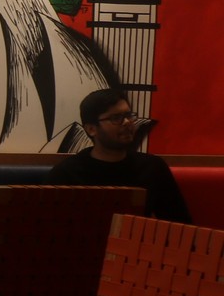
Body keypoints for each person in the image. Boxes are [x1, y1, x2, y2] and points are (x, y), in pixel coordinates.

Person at [47, 87, 191, 222]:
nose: (127, 122)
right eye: (116, 118)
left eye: (128, 115)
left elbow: (179, 225)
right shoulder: (67, 174)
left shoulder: (153, 168)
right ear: (91, 129)